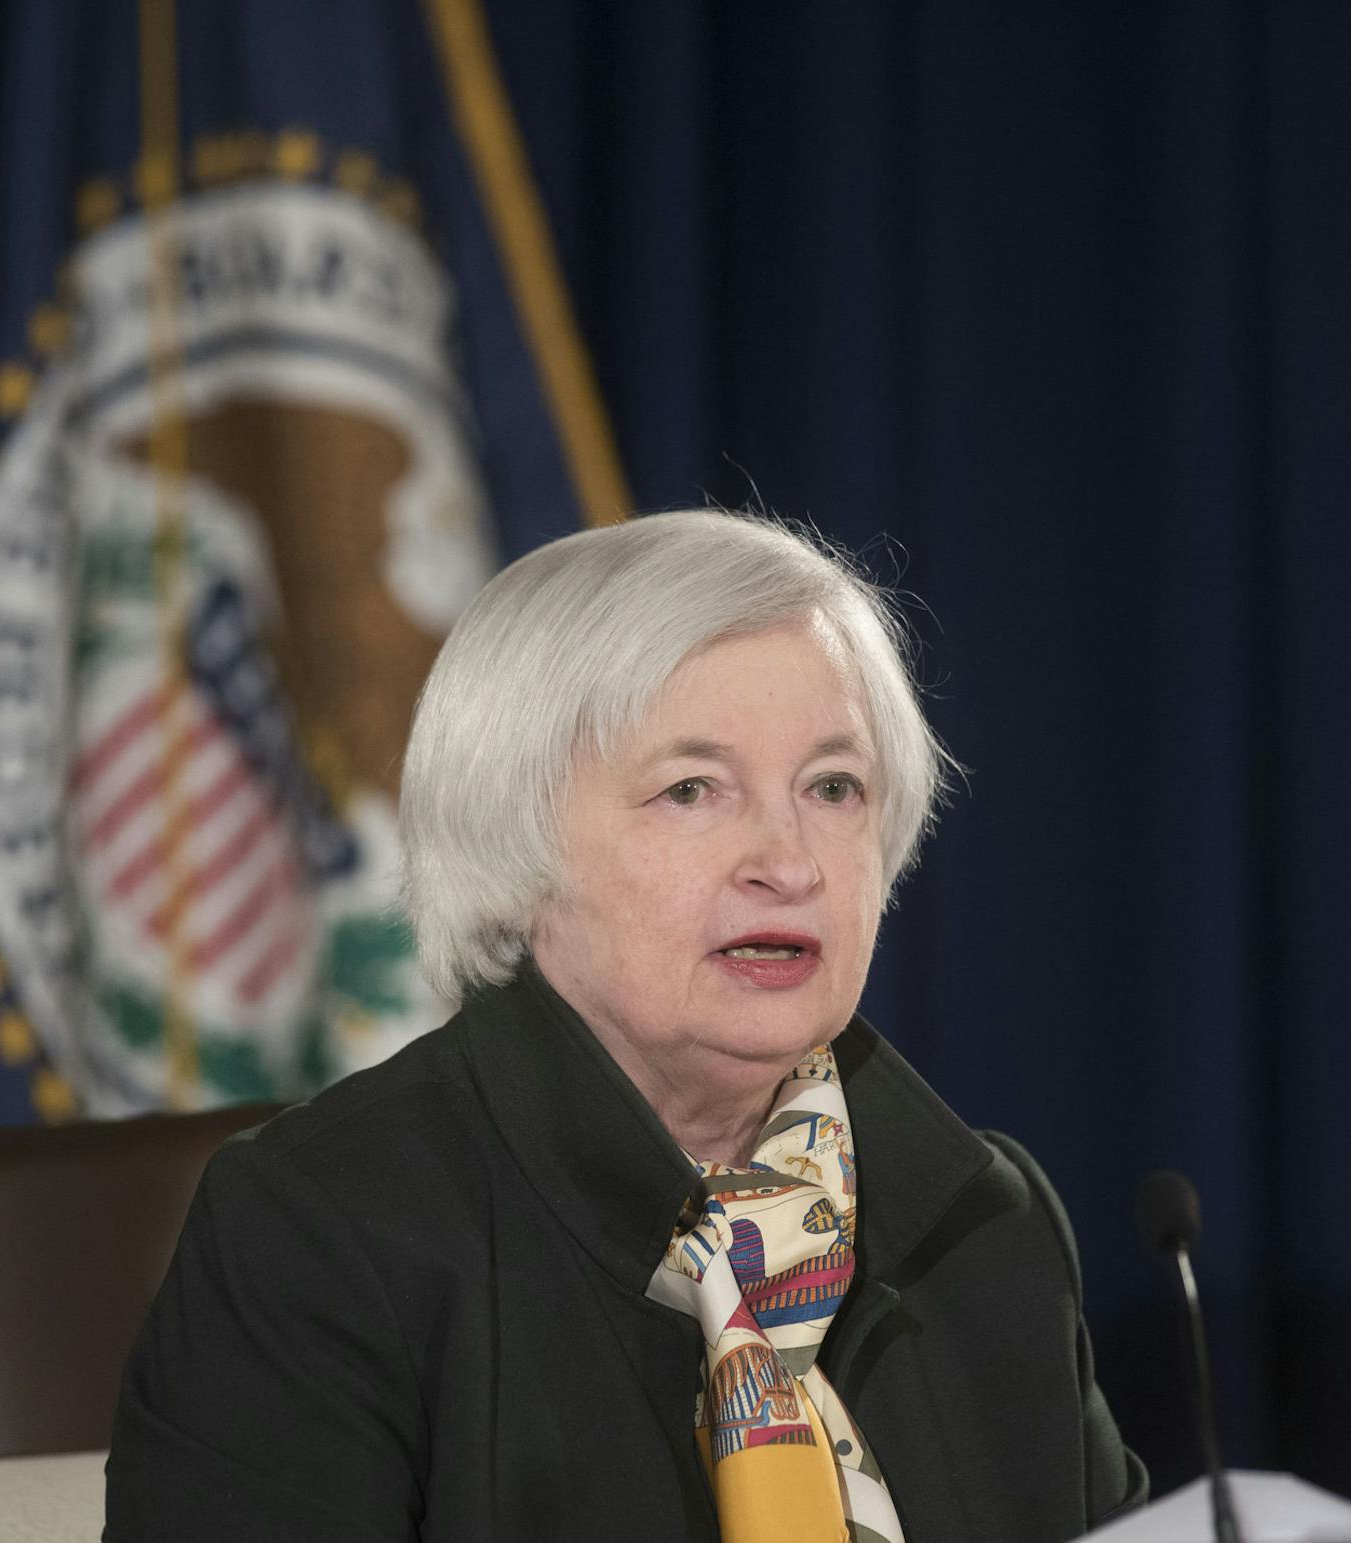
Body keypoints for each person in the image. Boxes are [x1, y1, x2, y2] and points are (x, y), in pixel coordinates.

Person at [105, 509, 1147, 1542]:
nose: (788, 861)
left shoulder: (986, 1226)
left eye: (834, 787)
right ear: (511, 842)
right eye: (691, 789)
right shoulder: (319, 1234)